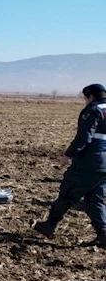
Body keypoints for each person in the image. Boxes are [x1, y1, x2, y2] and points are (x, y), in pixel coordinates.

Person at [33, 83, 106, 247]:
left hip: (90, 162)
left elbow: (84, 137)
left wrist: (68, 154)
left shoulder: (93, 110)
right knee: (95, 199)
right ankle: (104, 235)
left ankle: (49, 226)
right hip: (104, 166)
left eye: (85, 98)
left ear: (91, 96)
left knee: (67, 194)